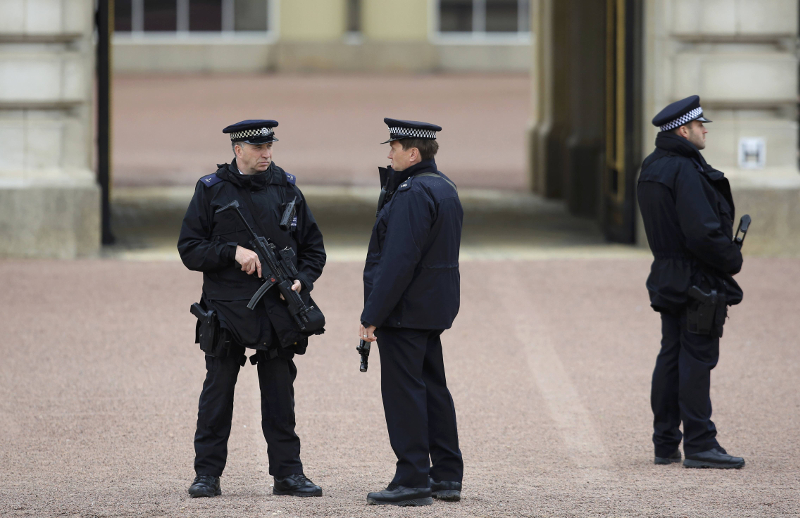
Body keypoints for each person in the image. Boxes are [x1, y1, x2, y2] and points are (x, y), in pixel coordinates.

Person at [177, 119, 326, 497]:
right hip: (226, 308)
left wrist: (301, 281)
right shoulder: (211, 190)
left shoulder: (286, 188)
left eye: (269, 146)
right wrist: (231, 252)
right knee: (217, 394)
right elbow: (189, 248)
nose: (267, 154)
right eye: (259, 148)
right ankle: (207, 475)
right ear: (237, 149)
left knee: (279, 395)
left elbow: (314, 250)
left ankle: (288, 474)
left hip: (278, 310)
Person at [359, 118, 464, 506]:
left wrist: (372, 314)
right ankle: (447, 475)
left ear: (413, 153)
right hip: (432, 308)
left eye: (395, 147)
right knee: (434, 390)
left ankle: (412, 479)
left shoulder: (412, 193)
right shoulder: (443, 186)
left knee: (404, 395)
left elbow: (397, 262)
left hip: (404, 311)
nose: (389, 153)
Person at [638, 96, 745, 469]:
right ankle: (700, 443)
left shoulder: (652, 166)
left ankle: (665, 443)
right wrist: (731, 259)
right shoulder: (684, 170)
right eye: (701, 126)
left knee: (671, 356)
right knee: (697, 358)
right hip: (695, 276)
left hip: (667, 272)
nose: (705, 131)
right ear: (683, 130)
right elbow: (702, 233)